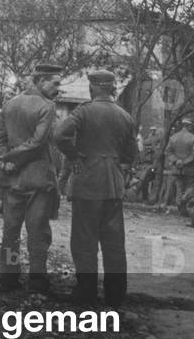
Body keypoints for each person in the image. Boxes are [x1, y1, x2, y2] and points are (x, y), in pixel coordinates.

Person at [54, 70, 137, 307]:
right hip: (113, 184)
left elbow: (59, 135)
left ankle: (86, 292)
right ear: (111, 89)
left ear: (92, 88)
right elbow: (131, 154)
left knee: (84, 240)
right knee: (114, 243)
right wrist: (112, 159)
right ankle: (116, 296)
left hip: (88, 181)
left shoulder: (83, 111)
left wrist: (75, 155)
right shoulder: (125, 116)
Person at [0, 63, 63, 293]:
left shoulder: (10, 104)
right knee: (38, 231)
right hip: (38, 178)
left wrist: (4, 160)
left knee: (10, 230)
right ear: (41, 81)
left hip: (12, 178)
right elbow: (38, 142)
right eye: (55, 83)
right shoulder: (47, 107)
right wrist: (12, 158)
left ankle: (9, 277)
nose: (58, 89)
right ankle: (37, 280)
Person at [163, 118, 194, 215]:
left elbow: (167, 151)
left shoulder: (173, 137)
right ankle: (184, 201)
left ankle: (181, 209)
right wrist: (184, 162)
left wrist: (176, 161)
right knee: (192, 186)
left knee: (179, 188)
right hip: (189, 168)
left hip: (176, 168)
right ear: (189, 126)